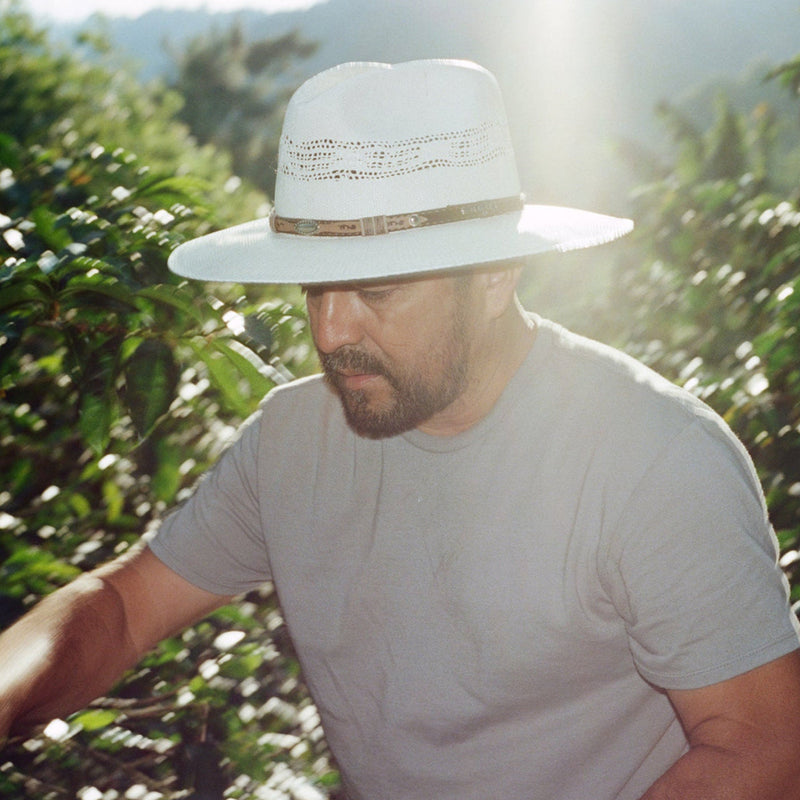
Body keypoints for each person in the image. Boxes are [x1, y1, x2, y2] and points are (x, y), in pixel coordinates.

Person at [1, 59, 800, 800]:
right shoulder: (292, 440)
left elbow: (764, 747)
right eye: (315, 290)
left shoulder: (653, 459)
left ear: (494, 276)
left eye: (375, 291)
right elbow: (123, 608)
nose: (329, 333)